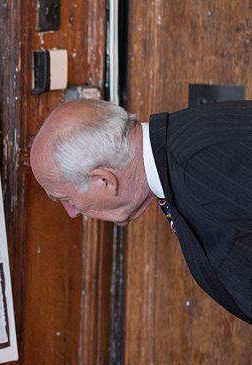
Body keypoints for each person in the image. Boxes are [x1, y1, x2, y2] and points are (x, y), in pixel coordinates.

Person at [30, 98, 252, 324]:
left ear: (105, 180)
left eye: (67, 198)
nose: (72, 212)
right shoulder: (182, 152)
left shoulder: (199, 164)